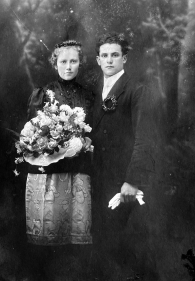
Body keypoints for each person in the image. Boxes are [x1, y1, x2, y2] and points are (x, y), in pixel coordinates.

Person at [22, 40, 93, 280]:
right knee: (49, 237)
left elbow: (91, 133)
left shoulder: (88, 95)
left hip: (78, 173)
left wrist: (84, 143)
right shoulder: (43, 93)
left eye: (74, 61)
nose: (69, 66)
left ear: (80, 63)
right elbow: (31, 138)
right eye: (63, 61)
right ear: (55, 63)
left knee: (75, 240)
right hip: (49, 176)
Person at [91, 33, 156, 279]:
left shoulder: (136, 90)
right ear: (98, 60)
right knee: (96, 242)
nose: (109, 60)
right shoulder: (94, 90)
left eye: (115, 55)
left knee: (111, 243)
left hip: (120, 180)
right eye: (104, 56)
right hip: (94, 177)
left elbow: (145, 137)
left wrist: (132, 179)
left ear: (124, 58)